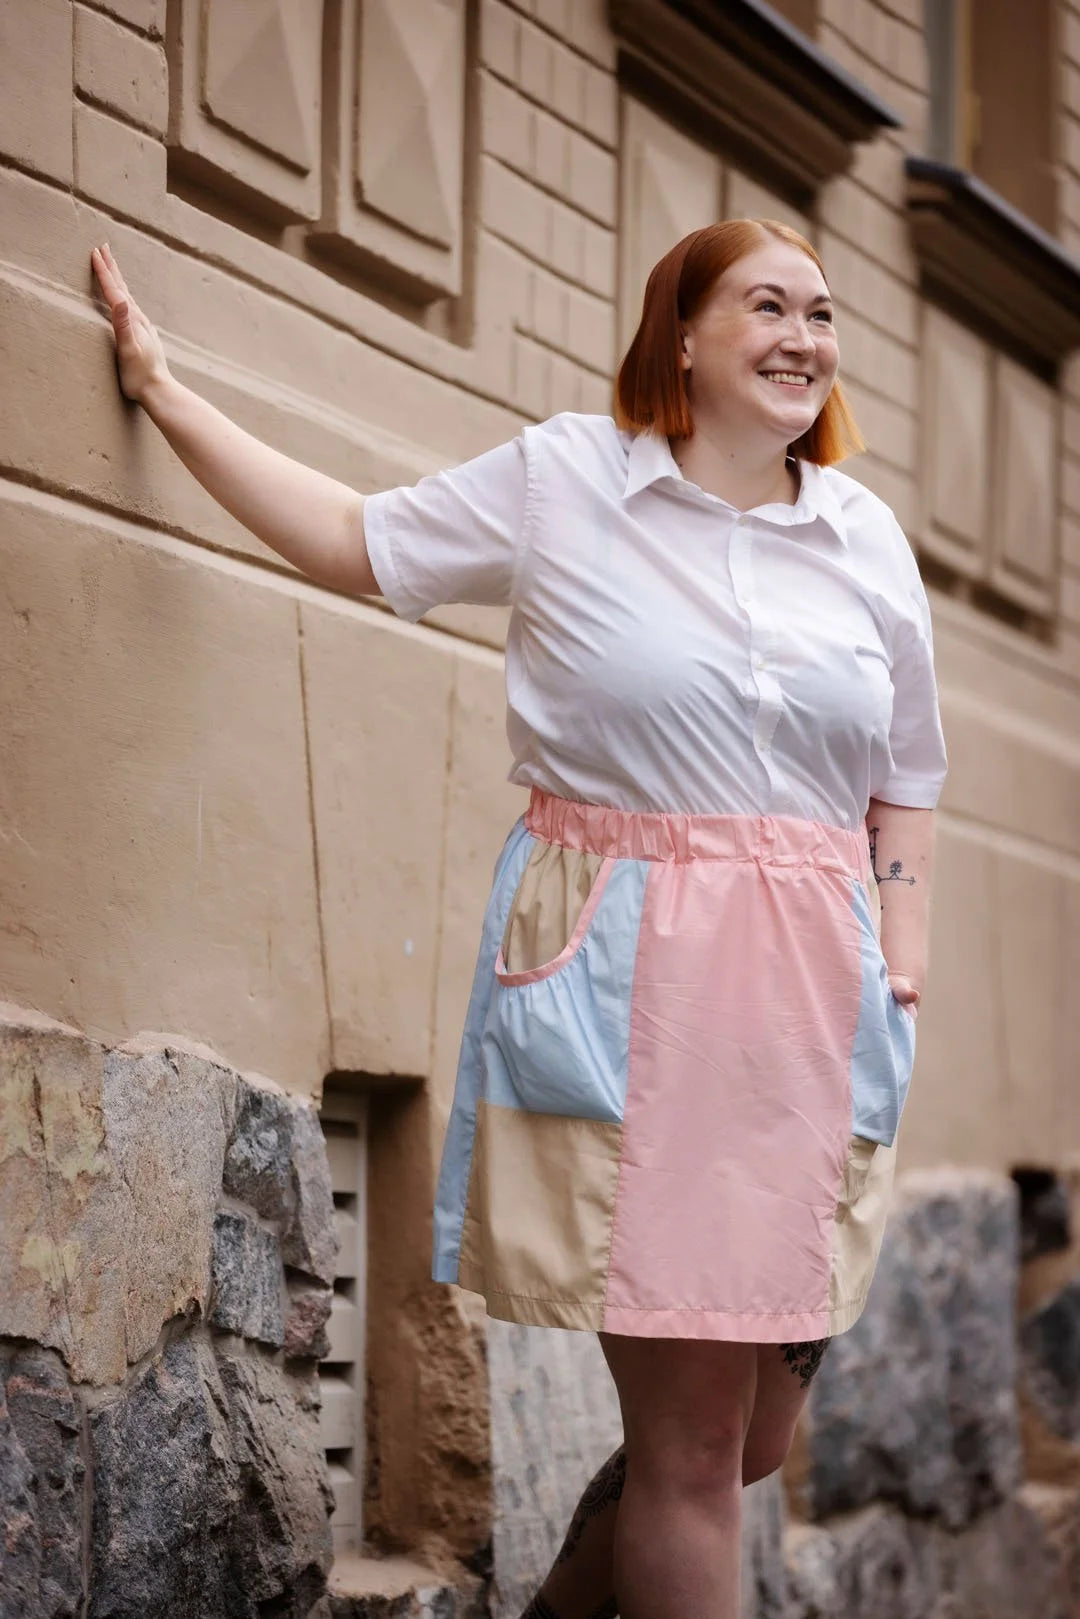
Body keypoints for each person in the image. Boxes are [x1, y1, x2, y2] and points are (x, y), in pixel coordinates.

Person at [90, 219, 946, 1619]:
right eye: (768, 306)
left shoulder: (860, 533)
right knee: (687, 1444)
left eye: (823, 313)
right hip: (635, 987)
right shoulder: (569, 481)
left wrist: (902, 959)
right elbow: (356, 542)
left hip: (816, 1007)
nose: (806, 337)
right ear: (680, 331)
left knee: (747, 1441)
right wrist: (170, 393)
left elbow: (906, 776)